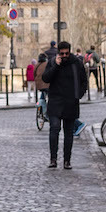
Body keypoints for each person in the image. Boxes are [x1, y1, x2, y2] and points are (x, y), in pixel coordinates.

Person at [40, 41, 89, 170]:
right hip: (55, 101)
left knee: (68, 133)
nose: (64, 55)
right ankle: (53, 159)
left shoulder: (76, 63)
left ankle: (67, 160)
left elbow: (84, 80)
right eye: (62, 53)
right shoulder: (52, 62)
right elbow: (46, 78)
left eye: (66, 53)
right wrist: (56, 65)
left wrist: (79, 94)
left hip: (70, 102)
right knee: (54, 129)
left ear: (69, 51)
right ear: (58, 53)